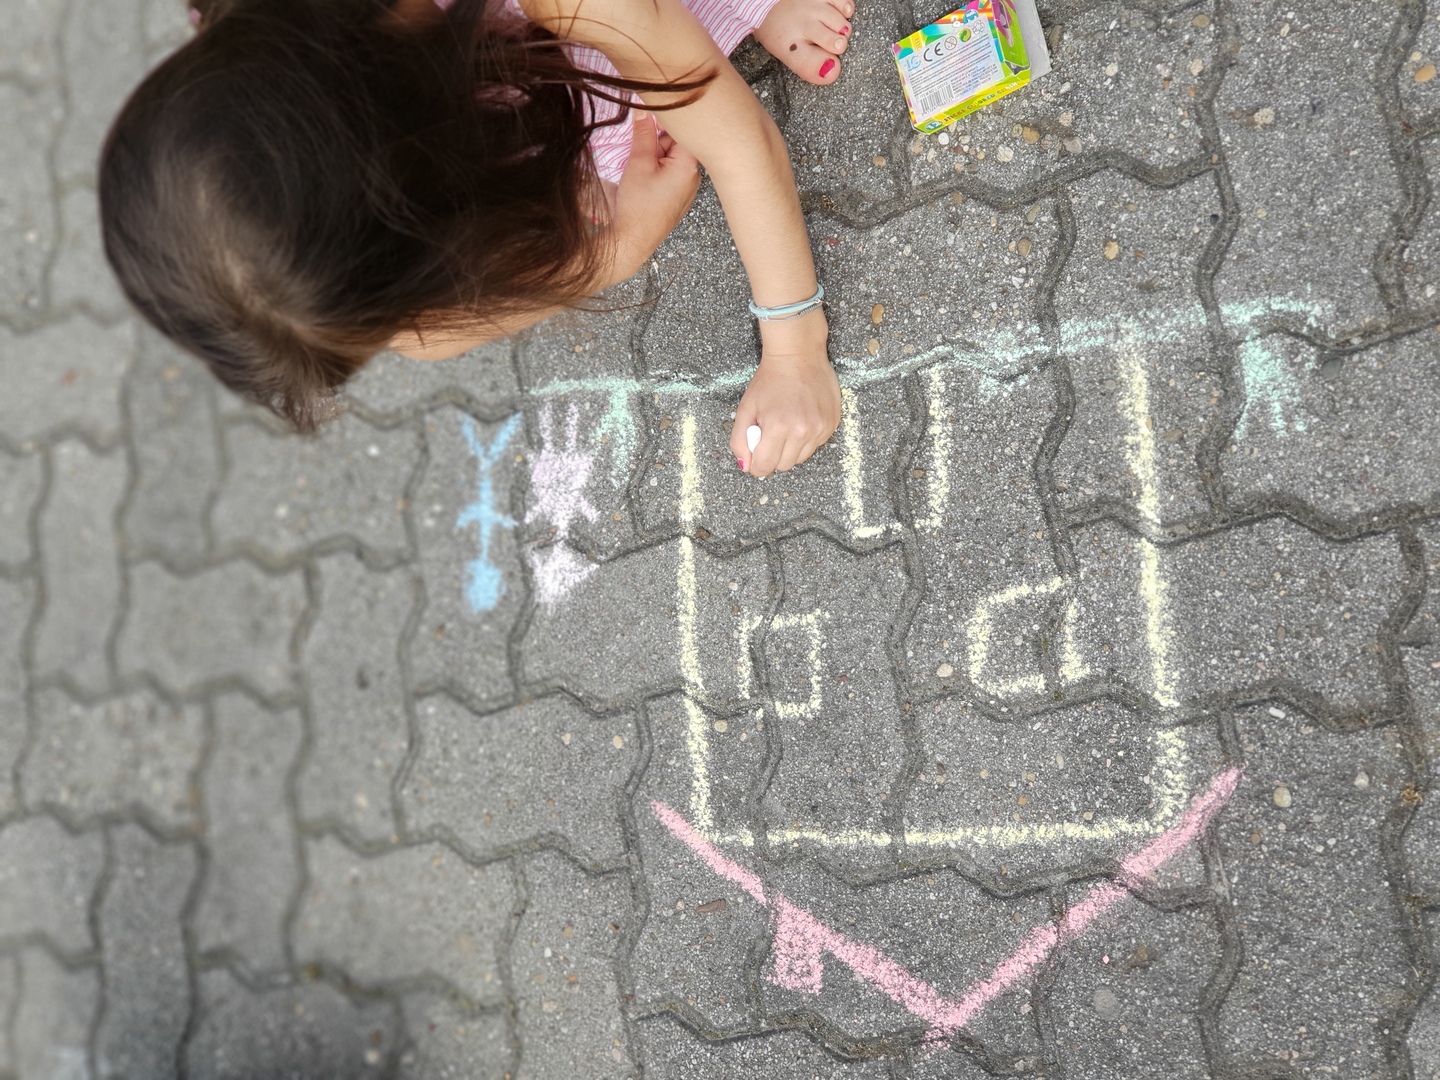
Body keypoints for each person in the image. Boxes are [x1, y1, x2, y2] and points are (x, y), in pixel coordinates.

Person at [99, 0, 849, 476]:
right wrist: (609, 255)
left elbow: (738, 141)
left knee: (661, 87)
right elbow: (422, 331)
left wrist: (794, 351)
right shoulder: (273, 50)